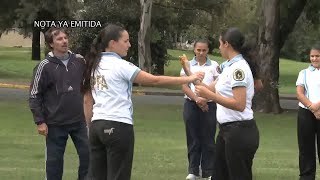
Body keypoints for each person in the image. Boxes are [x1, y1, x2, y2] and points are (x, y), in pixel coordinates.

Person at [81, 23, 204, 180]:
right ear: (112, 43)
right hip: (118, 125)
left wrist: (91, 127)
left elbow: (87, 100)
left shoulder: (93, 65)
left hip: (97, 126)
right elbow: (154, 80)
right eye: (125, 41)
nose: (129, 45)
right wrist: (189, 78)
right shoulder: (121, 65)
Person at [191, 27, 260, 180]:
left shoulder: (238, 69)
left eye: (220, 44)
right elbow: (212, 88)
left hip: (239, 131)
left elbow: (239, 104)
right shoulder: (228, 66)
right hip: (226, 131)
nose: (219, 47)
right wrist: (202, 94)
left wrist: (210, 96)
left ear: (227, 44)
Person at [29, 27, 89, 180]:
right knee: (54, 165)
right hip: (55, 124)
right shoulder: (44, 66)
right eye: (59, 39)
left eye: (65, 38)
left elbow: (89, 86)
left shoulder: (80, 60)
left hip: (80, 121)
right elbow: (35, 95)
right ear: (51, 44)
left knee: (89, 157)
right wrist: (40, 122)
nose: (64, 41)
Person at [179, 39, 219, 180]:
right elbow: (184, 86)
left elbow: (218, 85)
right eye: (198, 50)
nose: (201, 53)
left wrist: (206, 99)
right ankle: (193, 170)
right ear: (194, 50)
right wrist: (197, 99)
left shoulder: (214, 65)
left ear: (208, 50)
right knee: (193, 138)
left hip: (210, 105)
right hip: (191, 104)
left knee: (208, 138)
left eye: (204, 50)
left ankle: (208, 171)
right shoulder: (187, 65)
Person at [296, 43, 320, 180]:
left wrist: (318, 107)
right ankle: (306, 176)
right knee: (306, 148)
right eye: (312, 56)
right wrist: (312, 107)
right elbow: (299, 93)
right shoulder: (304, 73)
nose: (314, 59)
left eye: (317, 56)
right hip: (306, 112)